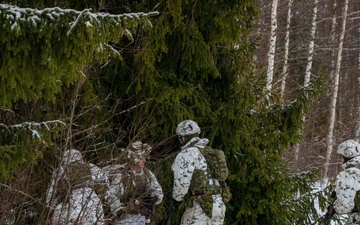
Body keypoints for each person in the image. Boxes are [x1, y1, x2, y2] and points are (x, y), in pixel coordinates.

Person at [171, 120, 227, 225]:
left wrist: (176, 201)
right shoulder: (209, 152)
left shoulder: (186, 154)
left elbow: (182, 185)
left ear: (183, 137)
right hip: (218, 205)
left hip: (200, 208)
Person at [105, 141, 164, 225]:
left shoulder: (147, 174)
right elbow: (111, 196)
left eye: (144, 158)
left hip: (143, 218)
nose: (144, 160)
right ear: (134, 158)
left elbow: (158, 191)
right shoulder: (122, 176)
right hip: (124, 219)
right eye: (141, 158)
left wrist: (153, 200)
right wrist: (118, 210)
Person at [46, 149, 109, 225]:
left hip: (72, 203)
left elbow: (51, 193)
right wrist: (100, 196)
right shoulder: (91, 167)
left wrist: (50, 210)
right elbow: (105, 182)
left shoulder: (60, 171)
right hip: (93, 200)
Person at [333, 139, 360, 225]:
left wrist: (334, 207)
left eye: (340, 156)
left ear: (345, 156)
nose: (340, 159)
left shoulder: (348, 174)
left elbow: (344, 206)